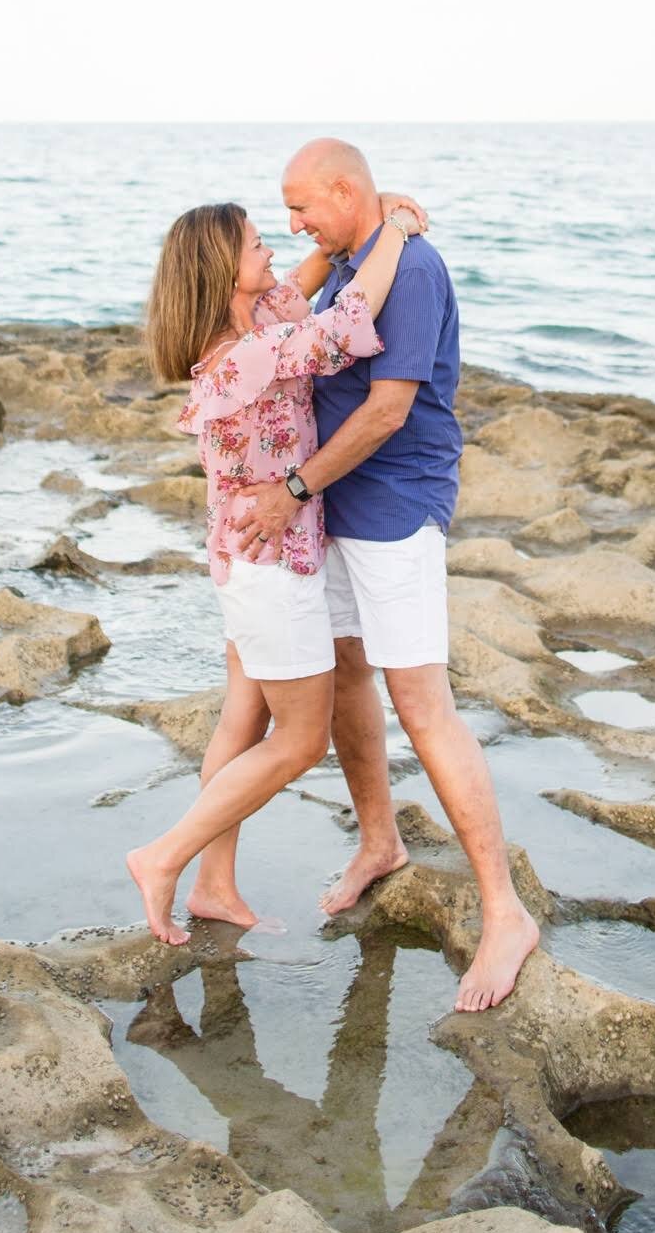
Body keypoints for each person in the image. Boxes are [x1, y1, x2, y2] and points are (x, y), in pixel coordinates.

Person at [229, 137, 540, 1011]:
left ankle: (506, 911)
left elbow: (389, 408)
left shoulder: (413, 268)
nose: (294, 223)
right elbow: (300, 314)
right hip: (335, 504)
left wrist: (293, 486)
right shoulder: (353, 261)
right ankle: (379, 841)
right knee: (346, 678)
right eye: (284, 215)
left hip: (394, 504)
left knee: (423, 702)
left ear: (342, 187)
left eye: (302, 206)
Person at [127, 190, 427, 946]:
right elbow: (347, 321)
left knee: (243, 714)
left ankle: (213, 883)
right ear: (226, 272)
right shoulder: (246, 358)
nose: (274, 246)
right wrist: (393, 230)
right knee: (298, 741)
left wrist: (343, 230)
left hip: (243, 558)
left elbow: (304, 284)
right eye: (258, 242)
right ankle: (162, 856)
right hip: (271, 564)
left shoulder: (257, 319)